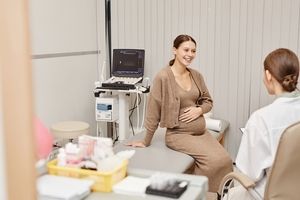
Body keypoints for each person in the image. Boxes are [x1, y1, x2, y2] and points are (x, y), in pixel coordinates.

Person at [127, 34, 233, 192]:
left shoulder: (196, 75)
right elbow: (153, 110)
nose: (190, 54)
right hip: (178, 135)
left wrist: (199, 110)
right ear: (174, 50)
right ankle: (200, 194)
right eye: (186, 50)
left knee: (225, 159)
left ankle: (220, 194)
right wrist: (146, 140)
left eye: (193, 51)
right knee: (213, 161)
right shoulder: (163, 77)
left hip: (200, 132)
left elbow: (208, 101)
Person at [225, 48, 300, 199]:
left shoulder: (261, 119)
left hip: (270, 194)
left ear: (268, 75)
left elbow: (250, 174)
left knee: (231, 194)